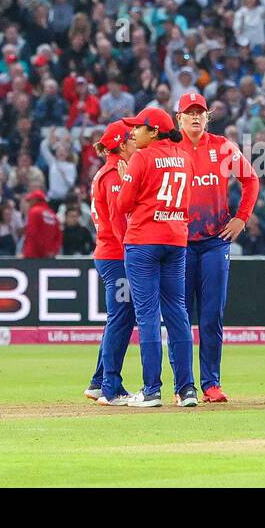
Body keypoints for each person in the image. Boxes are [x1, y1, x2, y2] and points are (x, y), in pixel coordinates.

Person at [176, 93, 259, 403]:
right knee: (179, 316)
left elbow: (251, 180)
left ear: (207, 117)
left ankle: (211, 384)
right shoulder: (171, 148)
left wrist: (241, 219)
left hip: (215, 241)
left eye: (200, 112)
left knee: (212, 315)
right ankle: (183, 385)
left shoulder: (223, 146)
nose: (195, 117)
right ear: (179, 118)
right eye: (189, 112)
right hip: (179, 243)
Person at [115, 107, 198, 408]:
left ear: (154, 131)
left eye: (138, 128)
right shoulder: (185, 157)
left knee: (148, 314)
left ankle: (152, 390)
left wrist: (127, 182)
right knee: (178, 312)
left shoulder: (142, 157)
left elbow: (124, 203)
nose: (133, 133)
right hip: (176, 239)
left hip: (143, 240)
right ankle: (187, 390)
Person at [88, 121, 138, 406]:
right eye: (131, 139)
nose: (136, 143)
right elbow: (121, 222)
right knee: (121, 319)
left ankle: (98, 381)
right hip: (117, 255)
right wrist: (133, 253)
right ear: (121, 144)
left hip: (110, 253)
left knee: (118, 319)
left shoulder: (105, 172)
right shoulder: (115, 175)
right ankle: (111, 387)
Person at [22, 189, 60, 259]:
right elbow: (58, 236)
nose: (29, 203)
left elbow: (32, 233)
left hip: (33, 255)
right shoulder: (53, 215)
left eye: (30, 200)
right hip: (49, 256)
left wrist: (42, 251)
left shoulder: (34, 212)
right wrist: (53, 251)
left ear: (36, 200)